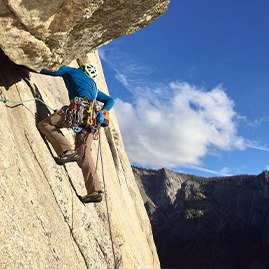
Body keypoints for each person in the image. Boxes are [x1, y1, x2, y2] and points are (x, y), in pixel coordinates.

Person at [37, 64, 114, 203]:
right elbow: (110, 100)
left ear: (82, 68)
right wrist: (103, 112)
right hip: (92, 118)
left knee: (45, 124)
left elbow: (51, 71)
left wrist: (25, 66)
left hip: (78, 109)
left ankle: (66, 150)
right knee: (84, 153)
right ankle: (94, 191)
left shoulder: (72, 71)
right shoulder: (94, 88)